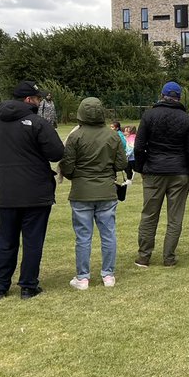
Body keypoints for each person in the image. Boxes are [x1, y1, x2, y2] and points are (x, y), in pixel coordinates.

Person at [0, 80, 65, 299]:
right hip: (36, 191)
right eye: (37, 98)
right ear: (29, 99)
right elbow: (57, 152)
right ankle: (28, 285)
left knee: (5, 241)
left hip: (7, 191)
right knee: (32, 241)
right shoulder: (38, 123)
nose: (39, 102)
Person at [60, 97, 128, 290]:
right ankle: (108, 275)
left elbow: (67, 167)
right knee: (108, 234)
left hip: (81, 192)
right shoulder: (113, 136)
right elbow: (122, 163)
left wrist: (79, 175)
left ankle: (82, 278)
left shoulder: (75, 136)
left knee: (83, 237)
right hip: (106, 190)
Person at [133, 82, 189, 268]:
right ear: (179, 98)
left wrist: (141, 168)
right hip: (179, 172)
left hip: (154, 170)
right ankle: (169, 257)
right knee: (175, 218)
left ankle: (144, 256)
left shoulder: (149, 115)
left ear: (162, 95)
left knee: (149, 215)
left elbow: (139, 147)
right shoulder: (186, 118)